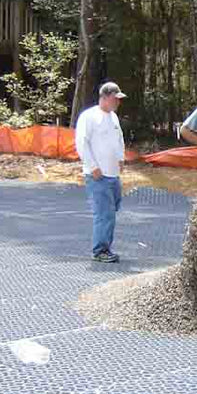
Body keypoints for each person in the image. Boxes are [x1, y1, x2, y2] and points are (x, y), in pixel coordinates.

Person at [75, 81, 127, 263]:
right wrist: (92, 166)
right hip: (98, 175)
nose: (117, 103)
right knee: (104, 213)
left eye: (119, 99)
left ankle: (105, 247)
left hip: (113, 175)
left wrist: (121, 158)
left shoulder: (113, 117)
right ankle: (100, 250)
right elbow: (82, 143)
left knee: (112, 211)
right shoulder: (89, 117)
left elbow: (118, 139)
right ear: (104, 97)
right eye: (115, 99)